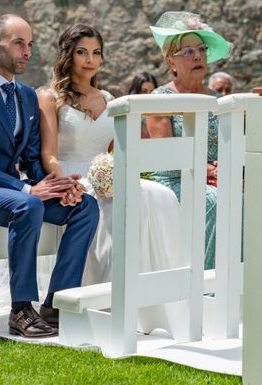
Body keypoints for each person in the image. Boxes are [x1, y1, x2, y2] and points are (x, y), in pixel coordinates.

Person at [0, 14, 99, 338]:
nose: (26, 52)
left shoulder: (27, 95)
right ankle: (21, 309)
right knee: (28, 205)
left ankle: (58, 303)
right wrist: (27, 189)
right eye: (18, 44)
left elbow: (31, 157)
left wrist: (58, 187)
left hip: (11, 190)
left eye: (29, 45)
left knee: (86, 206)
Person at [38, 24, 180, 285]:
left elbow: (118, 152)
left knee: (159, 195)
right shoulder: (49, 97)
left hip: (104, 177)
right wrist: (65, 184)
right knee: (120, 207)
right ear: (67, 55)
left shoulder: (109, 99)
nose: (90, 60)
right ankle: (108, 293)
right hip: (71, 178)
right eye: (82, 52)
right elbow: (49, 153)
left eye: (96, 52)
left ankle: (154, 292)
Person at [146, 11, 233, 270]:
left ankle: (244, 285)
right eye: (187, 52)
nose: (197, 56)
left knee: (251, 195)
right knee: (215, 201)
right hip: (176, 179)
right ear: (170, 61)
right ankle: (206, 287)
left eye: (201, 49)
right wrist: (211, 170)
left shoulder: (219, 99)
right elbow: (166, 156)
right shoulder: (160, 98)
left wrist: (226, 169)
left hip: (217, 176)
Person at [127, 71, 159, 138]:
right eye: (144, 91)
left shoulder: (161, 117)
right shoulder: (126, 118)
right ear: (136, 92)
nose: (148, 95)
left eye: (152, 92)